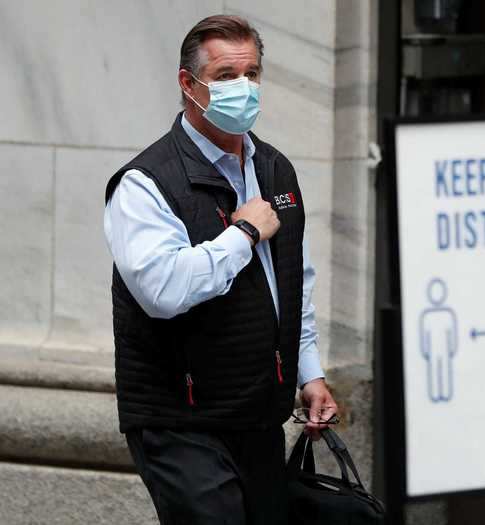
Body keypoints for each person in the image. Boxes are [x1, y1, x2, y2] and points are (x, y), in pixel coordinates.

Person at [103, 15, 337, 524]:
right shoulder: (145, 183)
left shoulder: (275, 169)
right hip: (180, 420)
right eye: (227, 76)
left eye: (252, 74)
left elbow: (293, 282)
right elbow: (162, 290)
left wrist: (308, 371)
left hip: (257, 413)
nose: (244, 88)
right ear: (189, 85)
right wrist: (243, 234)